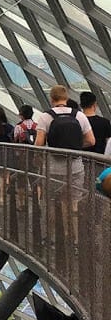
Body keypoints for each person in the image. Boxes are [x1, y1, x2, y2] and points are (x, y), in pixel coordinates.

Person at [35, 85, 94, 247]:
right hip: (75, 167)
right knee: (73, 203)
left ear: (52, 99)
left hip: (52, 168)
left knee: (50, 202)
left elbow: (39, 143)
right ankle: (74, 240)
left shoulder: (45, 117)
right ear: (66, 98)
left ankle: (51, 238)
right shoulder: (79, 116)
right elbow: (91, 141)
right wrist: (74, 147)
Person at [80, 91, 111, 155]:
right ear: (95, 104)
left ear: (81, 105)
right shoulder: (105, 122)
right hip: (100, 159)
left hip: (82, 157)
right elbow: (108, 142)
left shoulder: (78, 121)